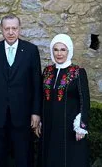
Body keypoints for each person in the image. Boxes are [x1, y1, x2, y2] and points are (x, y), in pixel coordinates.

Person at [0, 14, 42, 167]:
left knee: (23, 157)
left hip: (23, 114)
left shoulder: (31, 50)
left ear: (19, 29)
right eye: (7, 28)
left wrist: (36, 112)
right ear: (1, 29)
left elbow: (36, 84)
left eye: (14, 28)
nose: (11, 32)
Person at [36, 34, 90, 167]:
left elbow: (85, 100)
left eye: (63, 49)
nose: (59, 53)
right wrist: (39, 121)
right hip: (49, 125)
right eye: (56, 49)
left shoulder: (77, 72)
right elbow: (41, 97)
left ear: (69, 50)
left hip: (69, 128)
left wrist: (81, 126)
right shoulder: (47, 71)